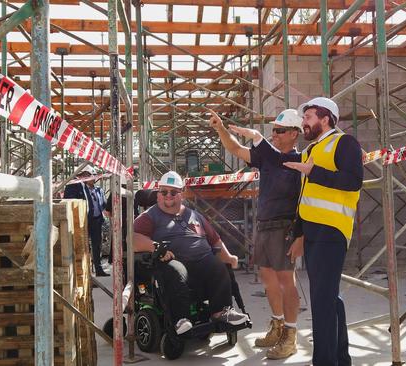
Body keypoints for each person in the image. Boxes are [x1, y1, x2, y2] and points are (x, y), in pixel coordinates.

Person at [209, 108, 303, 359]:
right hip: (264, 225)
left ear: (295, 134)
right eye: (273, 131)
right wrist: (220, 128)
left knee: (286, 282)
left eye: (280, 131)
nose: (275, 135)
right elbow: (236, 149)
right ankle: (278, 325)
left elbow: (304, 199)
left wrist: (300, 235)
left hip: (284, 227)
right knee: (268, 280)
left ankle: (291, 336)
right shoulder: (268, 158)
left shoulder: (300, 161)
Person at [283, 97, 363, 366]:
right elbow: (306, 198)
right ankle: (340, 359)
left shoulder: (344, 143)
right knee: (328, 297)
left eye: (308, 117)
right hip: (314, 232)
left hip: (333, 230)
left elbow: (353, 181)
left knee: (321, 300)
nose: (303, 123)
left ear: (325, 118)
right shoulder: (311, 151)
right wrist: (299, 235)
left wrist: (313, 171)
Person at [133, 171, 250, 335]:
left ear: (181, 194)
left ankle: (221, 312)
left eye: (173, 192)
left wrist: (229, 257)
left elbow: (215, 240)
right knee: (176, 271)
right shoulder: (148, 216)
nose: (168, 196)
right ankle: (181, 319)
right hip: (173, 261)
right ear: (158, 194)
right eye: (164, 192)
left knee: (218, 266)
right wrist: (155, 246)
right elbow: (133, 238)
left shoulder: (194, 215)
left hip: (201, 261)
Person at [64, 165, 108, 277]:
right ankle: (85, 272)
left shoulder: (99, 190)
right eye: (88, 176)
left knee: (97, 245)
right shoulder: (75, 188)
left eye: (92, 176)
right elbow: (68, 201)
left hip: (96, 221)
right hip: (82, 221)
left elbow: (103, 205)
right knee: (83, 246)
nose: (92, 178)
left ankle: (98, 269)